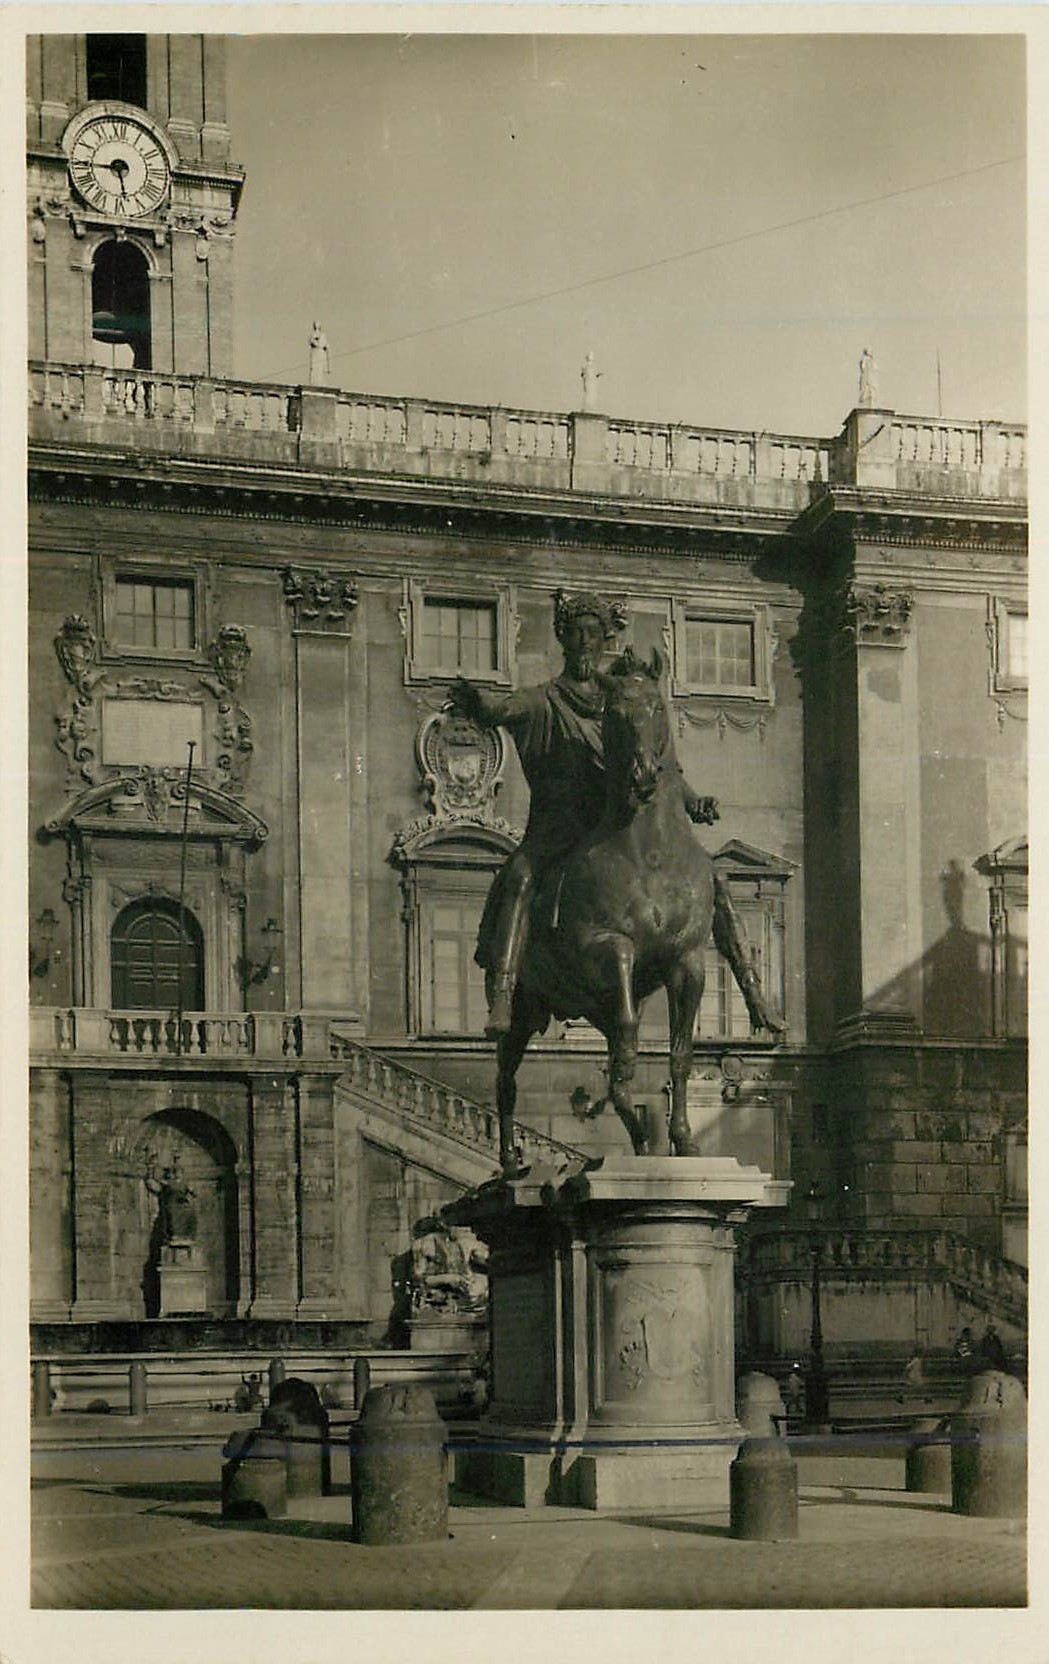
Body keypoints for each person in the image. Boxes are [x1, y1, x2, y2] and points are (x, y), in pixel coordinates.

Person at [451, 588, 784, 1039]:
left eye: (594, 635)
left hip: (614, 823)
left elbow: (658, 761)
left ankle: (753, 991)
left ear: (605, 639)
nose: (586, 643)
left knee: (712, 879)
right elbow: (503, 709)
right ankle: (506, 995)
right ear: (563, 640)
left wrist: (692, 800)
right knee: (522, 876)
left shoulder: (625, 700)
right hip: (560, 826)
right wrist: (481, 707)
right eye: (577, 634)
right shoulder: (545, 698)